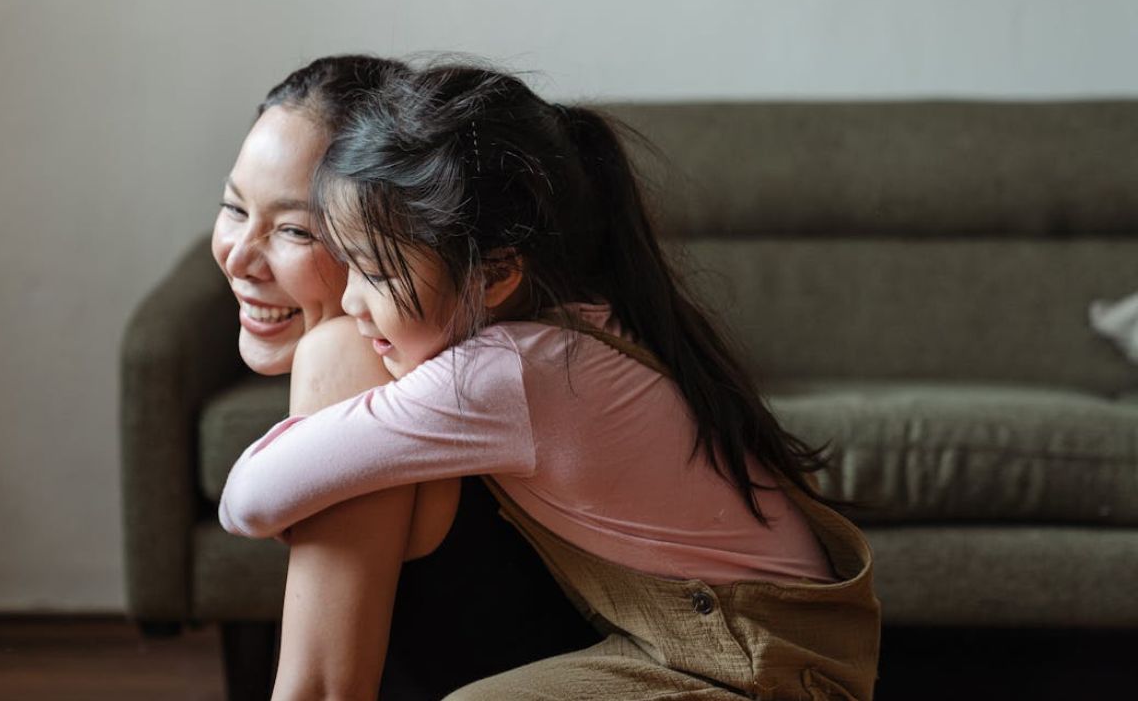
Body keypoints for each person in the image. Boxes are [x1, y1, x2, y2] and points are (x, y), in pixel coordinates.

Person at [220, 62, 882, 699]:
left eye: (376, 271)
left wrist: (311, 482)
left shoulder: (508, 374)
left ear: (495, 274)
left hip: (755, 662)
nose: (355, 301)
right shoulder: (573, 322)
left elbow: (248, 497)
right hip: (761, 643)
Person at [212, 55, 603, 701]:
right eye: (233, 207)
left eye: (292, 229)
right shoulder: (486, 341)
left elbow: (323, 688)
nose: (240, 257)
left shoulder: (348, 357)